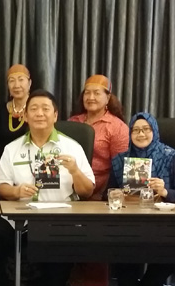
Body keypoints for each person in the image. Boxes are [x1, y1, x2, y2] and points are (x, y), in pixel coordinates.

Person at [0, 89, 95, 286]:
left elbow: (87, 191)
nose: (39, 113)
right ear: (25, 116)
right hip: (20, 218)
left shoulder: (72, 147)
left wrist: (75, 171)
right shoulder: (11, 149)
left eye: (45, 109)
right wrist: (16, 191)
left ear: (55, 115)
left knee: (54, 265)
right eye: (34, 109)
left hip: (59, 220)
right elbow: (1, 187)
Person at [107, 112, 175, 286]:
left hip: (164, 226)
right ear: (130, 134)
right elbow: (106, 195)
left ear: (155, 132)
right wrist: (115, 194)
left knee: (163, 264)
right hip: (128, 226)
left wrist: (165, 191)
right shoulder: (120, 160)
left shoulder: (170, 156)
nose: (141, 134)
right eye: (135, 130)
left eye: (146, 129)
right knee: (124, 268)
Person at [67, 74, 129, 286]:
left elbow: (120, 171)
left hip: (99, 198)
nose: (90, 97)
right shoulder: (72, 122)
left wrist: (103, 198)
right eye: (87, 92)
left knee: (93, 251)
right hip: (68, 195)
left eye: (96, 92)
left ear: (108, 97)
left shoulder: (117, 127)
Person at [0, 64, 31, 162]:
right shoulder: (1, 109)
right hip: (3, 164)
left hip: (29, 163)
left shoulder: (36, 109)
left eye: (21, 79)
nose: (16, 85)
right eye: (12, 81)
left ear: (29, 83)